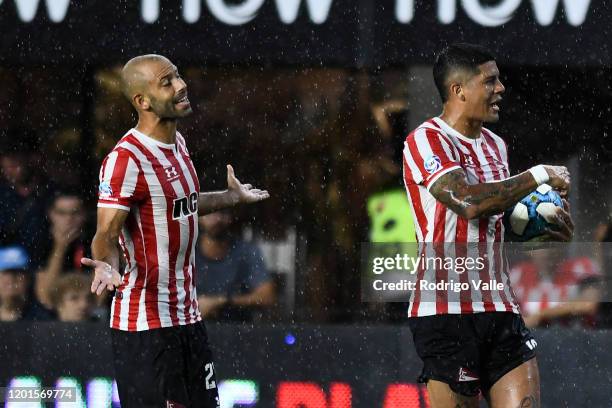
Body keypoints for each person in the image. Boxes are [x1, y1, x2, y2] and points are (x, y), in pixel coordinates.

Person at [80, 54, 269, 408]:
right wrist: (107, 263)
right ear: (142, 101)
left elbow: (182, 203)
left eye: (178, 76)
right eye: (167, 82)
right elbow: (105, 233)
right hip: (146, 326)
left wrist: (229, 197)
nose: (181, 86)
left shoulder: (178, 145)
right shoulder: (126, 160)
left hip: (187, 318)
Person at [401, 43, 573, 407]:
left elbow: (494, 219)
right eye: (490, 81)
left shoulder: (495, 145)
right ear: (458, 90)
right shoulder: (425, 140)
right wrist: (539, 174)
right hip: (445, 313)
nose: (501, 89)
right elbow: (468, 202)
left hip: (500, 306)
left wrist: (543, 230)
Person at [196, 210, 275, 321]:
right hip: (192, 332)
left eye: (223, 213)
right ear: (199, 217)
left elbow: (266, 297)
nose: (217, 219)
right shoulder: (185, 252)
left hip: (237, 330)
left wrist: (220, 301)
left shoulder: (246, 251)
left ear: (231, 217)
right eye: (210, 212)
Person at [510, 248, 601, 328]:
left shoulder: (580, 267)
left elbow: (589, 304)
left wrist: (540, 315)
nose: (546, 252)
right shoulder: (517, 274)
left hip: (577, 341)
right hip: (536, 342)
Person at [35, 191, 89, 309]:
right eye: (62, 213)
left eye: (75, 213)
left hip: (87, 312)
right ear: (51, 214)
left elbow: (97, 298)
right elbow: (45, 297)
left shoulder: (93, 241)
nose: (69, 219)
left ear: (84, 214)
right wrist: (60, 248)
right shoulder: (41, 242)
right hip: (51, 314)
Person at [0, 246, 54, 322]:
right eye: (6, 273)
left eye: (18, 272)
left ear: (28, 279)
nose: (11, 279)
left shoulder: (42, 318)